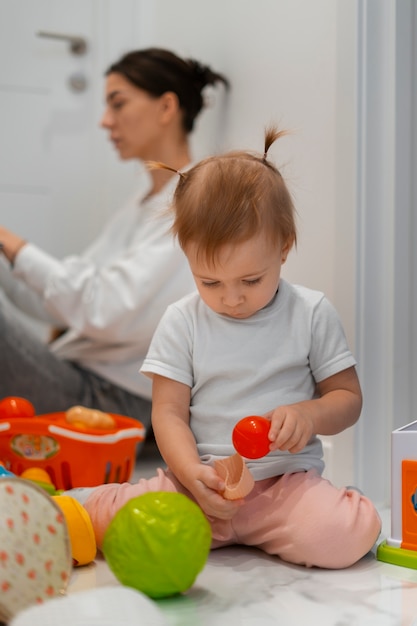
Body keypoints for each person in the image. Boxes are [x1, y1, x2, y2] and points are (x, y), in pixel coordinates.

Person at [69, 127, 381, 568]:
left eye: (250, 280)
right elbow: (169, 413)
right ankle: (72, 505)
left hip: (283, 486)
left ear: (284, 248)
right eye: (209, 282)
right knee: (114, 520)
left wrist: (309, 415)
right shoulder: (182, 320)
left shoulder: (311, 313)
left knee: (344, 537)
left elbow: (348, 399)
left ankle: (338, 508)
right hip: (199, 486)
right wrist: (191, 474)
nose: (231, 298)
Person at [0, 48, 228, 437]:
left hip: (113, 398)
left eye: (118, 104)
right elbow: (58, 305)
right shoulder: (141, 203)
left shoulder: (198, 200)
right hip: (80, 373)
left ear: (167, 106)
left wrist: (14, 245)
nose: (106, 122)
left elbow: (104, 308)